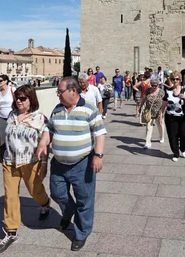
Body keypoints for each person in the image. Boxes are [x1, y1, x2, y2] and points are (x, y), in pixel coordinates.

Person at [37, 77, 107, 252]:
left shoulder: (89, 110)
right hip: (59, 164)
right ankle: (69, 212)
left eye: (60, 91)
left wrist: (98, 156)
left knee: (84, 200)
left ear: (72, 91)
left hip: (82, 163)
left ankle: (81, 233)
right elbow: (49, 129)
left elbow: (99, 133)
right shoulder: (58, 109)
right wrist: (42, 143)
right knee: (57, 193)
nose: (58, 94)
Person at [0, 85, 52, 254]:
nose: (18, 101)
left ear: (31, 99)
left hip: (30, 161)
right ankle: (11, 232)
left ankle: (45, 203)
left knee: (35, 191)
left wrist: (44, 163)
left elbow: (45, 143)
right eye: (17, 98)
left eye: (22, 98)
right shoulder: (11, 115)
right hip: (9, 162)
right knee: (10, 196)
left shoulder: (40, 118)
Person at [161, 71, 185, 162]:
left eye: (177, 79)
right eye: (173, 79)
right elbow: (164, 104)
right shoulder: (168, 91)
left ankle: (182, 148)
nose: (175, 81)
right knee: (173, 136)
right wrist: (160, 115)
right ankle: (176, 153)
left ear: (180, 79)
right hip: (171, 117)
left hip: (184, 116)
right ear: (170, 80)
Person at [0, 74, 15, 159]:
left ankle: (12, 154)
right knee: (2, 137)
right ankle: (2, 155)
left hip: (12, 116)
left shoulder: (12, 89)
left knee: (11, 136)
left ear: (6, 81)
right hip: (1, 116)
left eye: (1, 81)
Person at [142, 78, 165, 148]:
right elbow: (143, 99)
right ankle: (147, 142)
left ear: (158, 85)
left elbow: (164, 102)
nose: (154, 87)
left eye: (155, 85)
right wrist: (140, 108)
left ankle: (161, 137)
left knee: (160, 125)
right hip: (149, 111)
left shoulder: (161, 92)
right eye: (152, 85)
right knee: (149, 127)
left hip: (159, 111)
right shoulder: (147, 91)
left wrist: (161, 113)